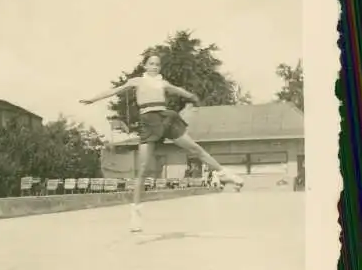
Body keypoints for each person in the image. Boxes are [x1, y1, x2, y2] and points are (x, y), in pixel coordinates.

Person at [80, 53, 244, 232]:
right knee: (142, 169)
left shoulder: (163, 83)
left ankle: (222, 173)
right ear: (145, 65)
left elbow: (180, 91)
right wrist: (92, 99)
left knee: (195, 148)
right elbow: (114, 91)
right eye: (151, 64)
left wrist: (193, 97)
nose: (154, 67)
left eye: (157, 64)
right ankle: (136, 212)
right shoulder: (137, 81)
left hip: (166, 119)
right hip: (148, 121)